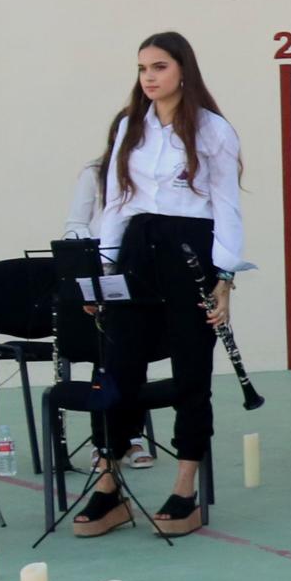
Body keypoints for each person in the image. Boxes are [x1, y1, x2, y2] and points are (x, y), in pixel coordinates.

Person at [70, 32, 244, 539]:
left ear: (183, 70)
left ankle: (185, 486)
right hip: (135, 249)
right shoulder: (129, 126)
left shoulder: (213, 131)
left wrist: (225, 277)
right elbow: (117, 202)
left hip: (190, 247)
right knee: (119, 366)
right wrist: (104, 272)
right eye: (143, 67)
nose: (149, 76)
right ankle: (109, 485)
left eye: (160, 66)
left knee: (192, 368)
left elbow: (227, 206)